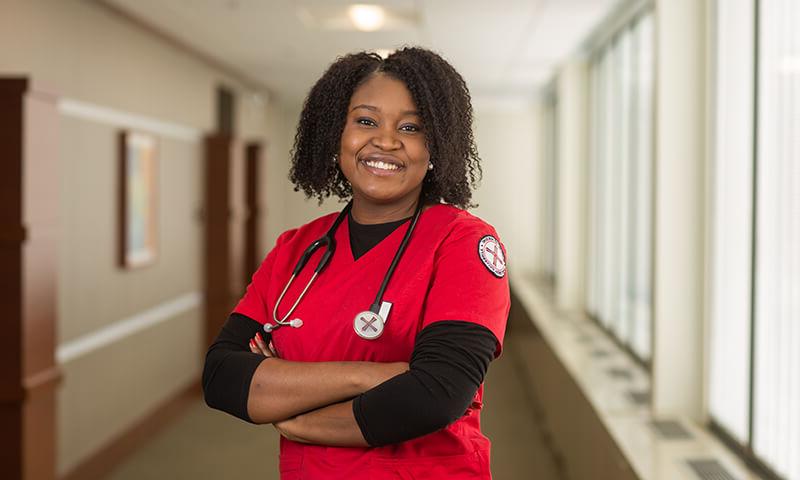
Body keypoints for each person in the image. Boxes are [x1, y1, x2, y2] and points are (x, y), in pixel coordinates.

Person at [202, 46, 510, 479]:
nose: (385, 141)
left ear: (436, 143)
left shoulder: (463, 243)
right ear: (335, 134)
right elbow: (222, 378)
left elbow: (435, 394)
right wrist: (370, 377)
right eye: (366, 121)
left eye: (411, 127)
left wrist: (297, 414)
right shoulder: (296, 249)